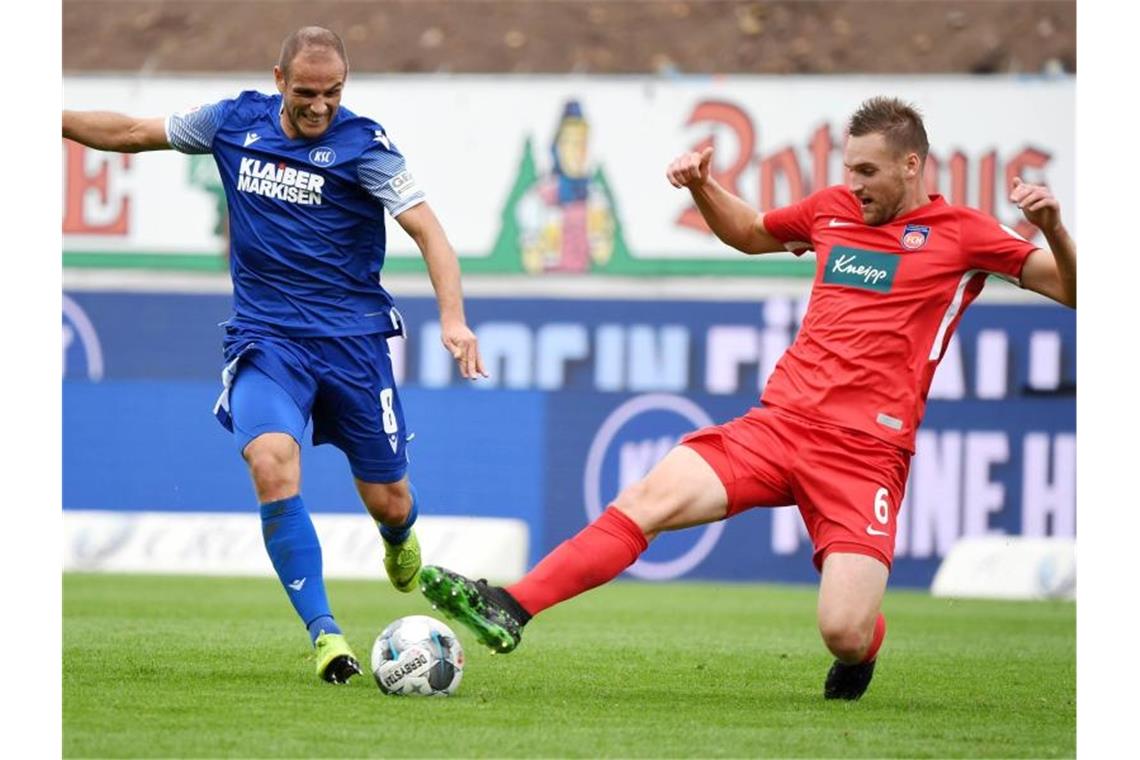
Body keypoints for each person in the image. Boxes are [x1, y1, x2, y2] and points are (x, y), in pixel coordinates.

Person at [420, 96, 1076, 700]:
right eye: (849, 169)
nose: (855, 184)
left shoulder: (965, 233)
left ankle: (863, 651)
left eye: (869, 171)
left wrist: (1054, 229)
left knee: (843, 630)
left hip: (865, 456)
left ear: (912, 165)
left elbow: (1075, 290)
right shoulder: (833, 210)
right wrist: (704, 187)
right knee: (646, 498)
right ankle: (511, 607)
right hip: (780, 424)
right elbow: (748, 231)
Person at [63, 26, 487, 684]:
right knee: (269, 460)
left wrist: (454, 320)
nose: (321, 106)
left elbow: (429, 231)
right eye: (307, 93)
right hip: (268, 341)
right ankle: (327, 638)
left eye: (334, 93)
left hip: (353, 348)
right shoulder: (233, 123)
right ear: (278, 79)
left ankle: (399, 541)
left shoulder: (365, 146)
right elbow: (129, 133)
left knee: (390, 500)